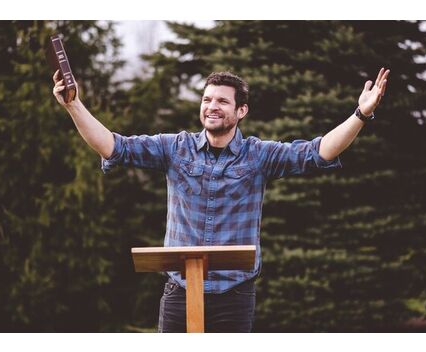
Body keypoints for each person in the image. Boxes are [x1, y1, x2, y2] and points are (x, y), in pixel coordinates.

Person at [52, 68, 390, 332]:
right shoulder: (175, 148)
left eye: (222, 101)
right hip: (179, 292)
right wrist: (73, 104)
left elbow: (317, 152)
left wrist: (360, 114)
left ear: (241, 110)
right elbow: (114, 146)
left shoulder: (258, 155)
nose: (211, 106)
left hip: (235, 295)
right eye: (206, 100)